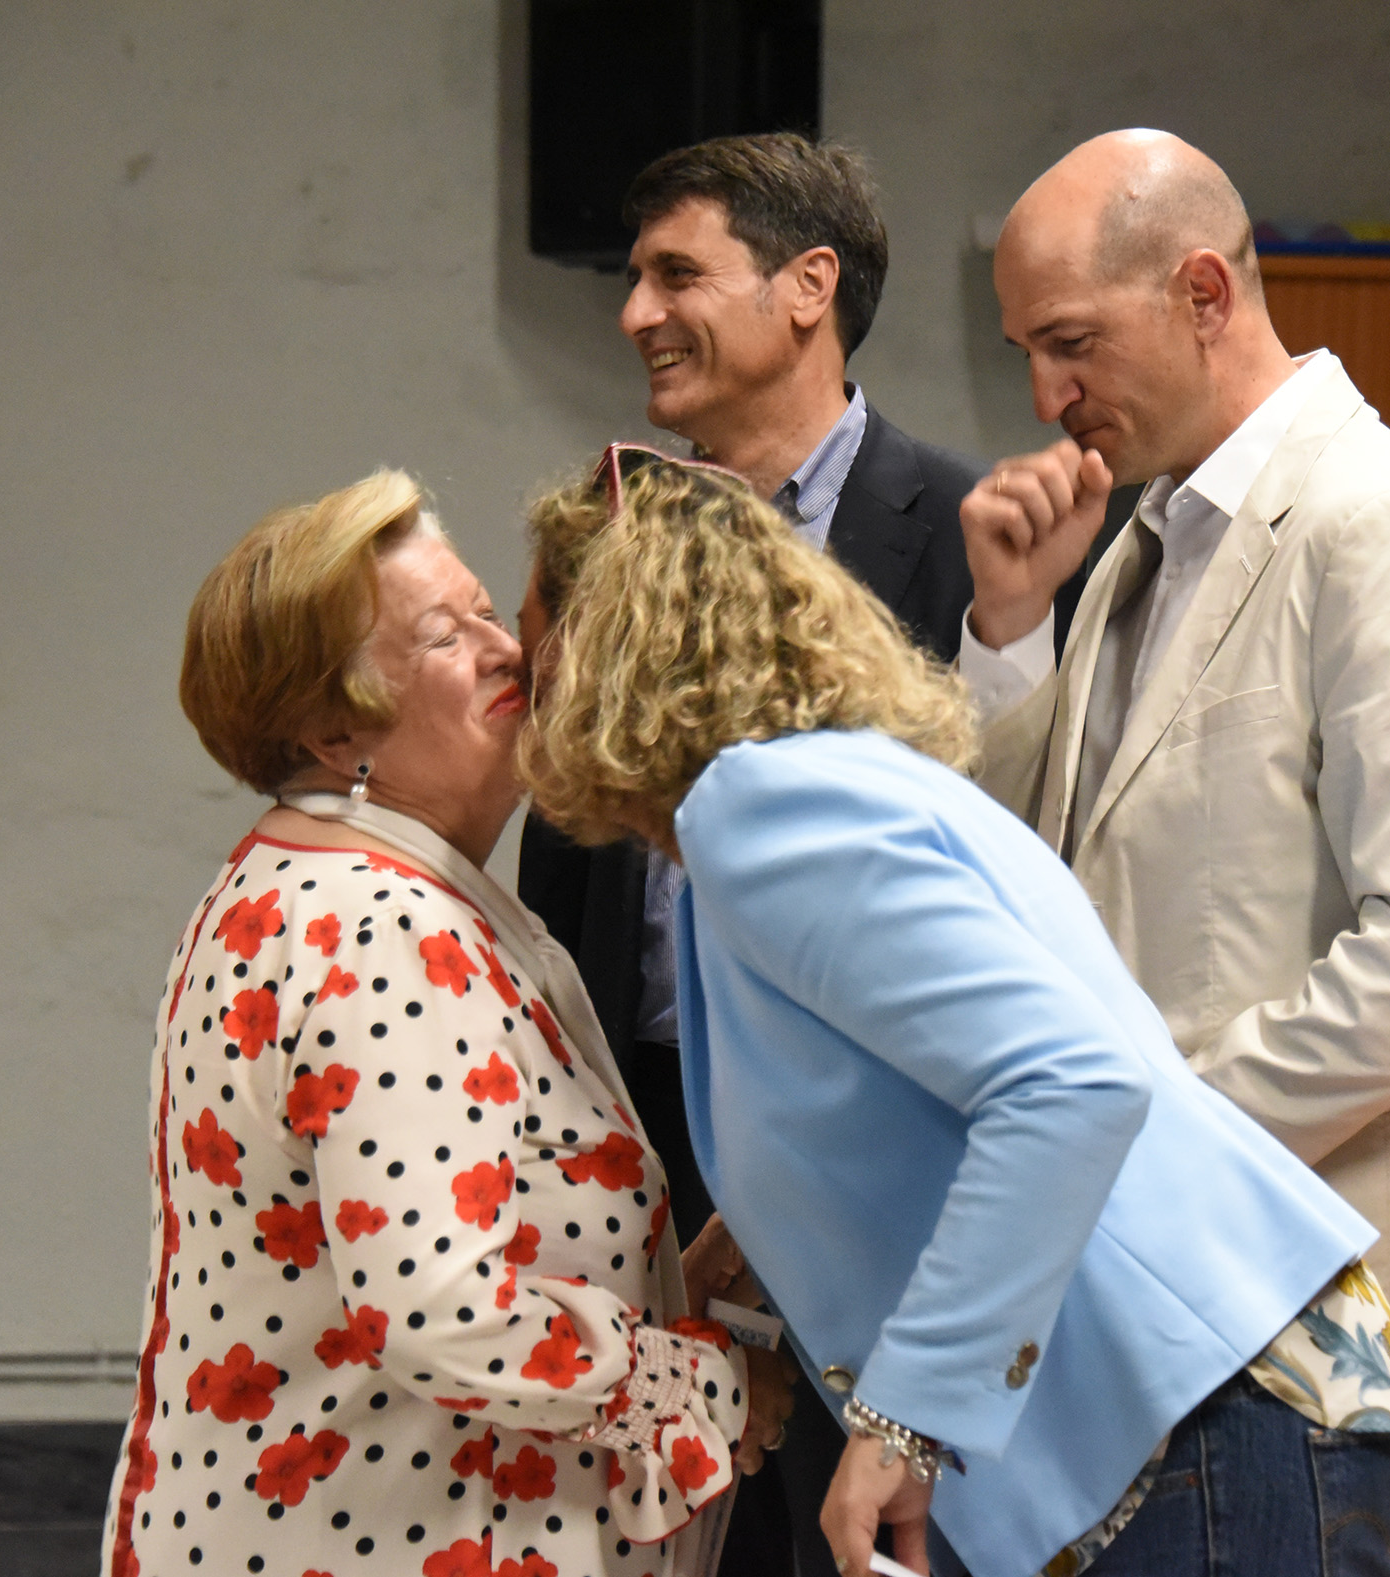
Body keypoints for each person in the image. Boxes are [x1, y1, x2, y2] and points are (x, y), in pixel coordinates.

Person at [517, 450, 1390, 1577]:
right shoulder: (810, 790)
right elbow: (906, 1082)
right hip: (1201, 1416)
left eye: (526, 628)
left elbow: (1071, 1083)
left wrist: (908, 1416)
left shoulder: (761, 804)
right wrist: (745, 1240)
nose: (516, 665)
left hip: (1195, 1409)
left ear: (601, 647)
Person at [516, 130, 1072, 1577]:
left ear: (807, 286)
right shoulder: (621, 529)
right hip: (645, 1132)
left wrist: (1012, 635)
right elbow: (564, 838)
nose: (634, 313)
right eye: (635, 279)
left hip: (868, 1155)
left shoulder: (971, 537)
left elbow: (1007, 848)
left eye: (674, 274)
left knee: (847, 1534)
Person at [100, 469, 779, 1577]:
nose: (510, 650)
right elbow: (441, 1310)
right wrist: (698, 1383)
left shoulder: (307, 878)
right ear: (334, 730)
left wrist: (670, 1286)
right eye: (444, 637)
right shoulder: (385, 927)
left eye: (486, 611)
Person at [955, 130, 1390, 1414]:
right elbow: (1041, 874)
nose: (1046, 396)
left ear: (1204, 294)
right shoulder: (1142, 537)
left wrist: (1145, 1139)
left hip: (1301, 1302)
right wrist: (1010, 627)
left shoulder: (1382, 519)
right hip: (1146, 1285)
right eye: (1028, 354)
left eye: (1071, 342)